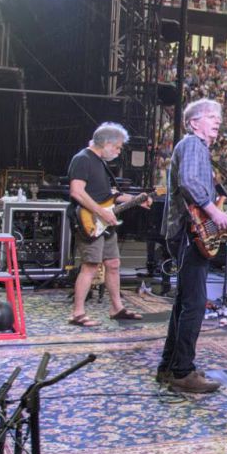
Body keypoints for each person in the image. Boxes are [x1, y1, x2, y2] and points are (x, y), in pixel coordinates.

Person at [158, 99, 227, 394]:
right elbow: (189, 182)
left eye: (218, 117)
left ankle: (169, 367)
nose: (217, 122)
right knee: (195, 304)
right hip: (187, 233)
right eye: (210, 117)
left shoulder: (196, 148)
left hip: (184, 232)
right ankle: (183, 371)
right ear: (195, 123)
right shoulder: (194, 144)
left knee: (185, 303)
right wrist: (215, 211)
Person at [67, 123, 144, 327]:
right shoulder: (83, 159)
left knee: (113, 264)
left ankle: (116, 308)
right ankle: (77, 313)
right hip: (90, 220)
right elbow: (76, 191)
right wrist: (101, 212)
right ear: (107, 143)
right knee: (90, 266)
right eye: (118, 147)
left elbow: (108, 195)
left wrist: (137, 199)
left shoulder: (99, 162)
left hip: (105, 222)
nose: (119, 151)